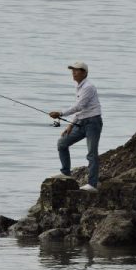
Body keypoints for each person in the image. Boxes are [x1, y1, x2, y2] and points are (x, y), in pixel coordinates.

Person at [49, 61, 103, 191]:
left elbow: (80, 106)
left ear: (84, 72)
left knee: (91, 153)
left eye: (76, 70)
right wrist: (71, 125)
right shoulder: (79, 86)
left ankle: (92, 184)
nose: (73, 72)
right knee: (62, 143)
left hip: (93, 123)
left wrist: (61, 113)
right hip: (81, 122)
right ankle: (66, 173)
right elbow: (80, 110)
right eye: (72, 70)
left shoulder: (88, 87)